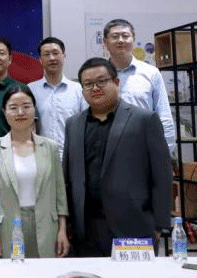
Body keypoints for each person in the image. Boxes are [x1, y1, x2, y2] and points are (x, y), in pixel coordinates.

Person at [63, 58, 172, 257]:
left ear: (116, 82)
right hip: (85, 230)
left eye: (101, 81)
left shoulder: (144, 119)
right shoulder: (73, 124)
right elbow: (68, 177)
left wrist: (160, 224)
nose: (95, 88)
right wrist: (68, 222)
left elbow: (162, 175)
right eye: (88, 84)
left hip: (134, 225)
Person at [0, 86, 69, 259]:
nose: (20, 112)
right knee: (13, 270)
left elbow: (60, 192)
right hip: (8, 225)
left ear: (34, 109)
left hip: (46, 225)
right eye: (13, 107)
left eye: (26, 106)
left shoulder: (50, 147)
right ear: (4, 112)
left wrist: (62, 230)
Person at [103, 19, 176, 156]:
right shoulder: (98, 75)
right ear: (105, 42)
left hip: (144, 151)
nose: (120, 40)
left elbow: (164, 115)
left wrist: (164, 153)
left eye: (125, 36)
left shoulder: (151, 73)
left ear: (133, 39)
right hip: (106, 153)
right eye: (115, 36)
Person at [28, 37, 87, 160]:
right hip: (40, 158)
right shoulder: (30, 90)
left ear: (64, 56)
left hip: (72, 157)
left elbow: (86, 124)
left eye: (55, 53)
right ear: (40, 60)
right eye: (46, 54)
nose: (52, 58)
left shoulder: (78, 90)